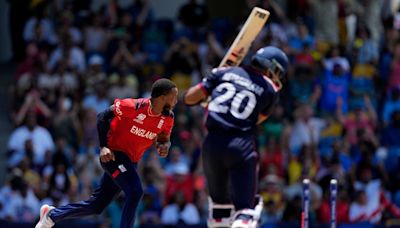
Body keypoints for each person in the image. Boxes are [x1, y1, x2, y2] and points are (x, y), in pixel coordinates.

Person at [35, 78, 178, 228]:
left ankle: (52, 216)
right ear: (162, 98)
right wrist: (103, 147)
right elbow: (102, 117)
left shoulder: (168, 117)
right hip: (113, 155)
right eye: (173, 97)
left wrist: (165, 145)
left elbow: (164, 138)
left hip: (131, 162)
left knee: (97, 206)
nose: (176, 100)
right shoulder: (133, 107)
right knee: (135, 191)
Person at [183, 46, 289, 227]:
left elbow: (188, 98)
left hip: (211, 146)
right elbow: (256, 119)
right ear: (272, 68)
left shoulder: (222, 74)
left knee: (219, 209)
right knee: (245, 211)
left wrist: (210, 85)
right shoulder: (269, 90)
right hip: (240, 146)